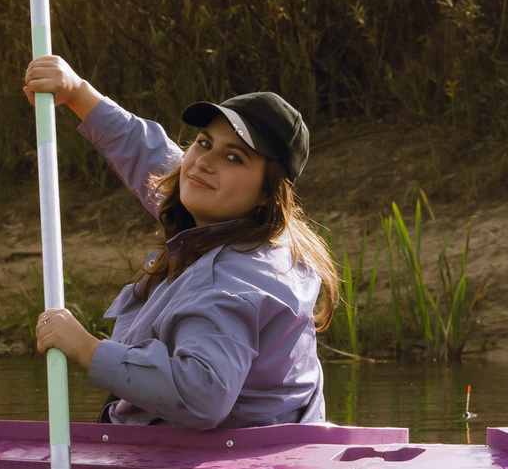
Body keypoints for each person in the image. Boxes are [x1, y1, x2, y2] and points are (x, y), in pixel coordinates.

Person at [20, 55, 338, 429]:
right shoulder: (252, 225)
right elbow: (148, 153)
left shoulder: (236, 277)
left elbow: (202, 395)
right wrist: (77, 93)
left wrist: (88, 350)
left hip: (224, 466)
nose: (203, 162)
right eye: (203, 143)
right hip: (269, 449)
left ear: (267, 193)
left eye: (234, 157)